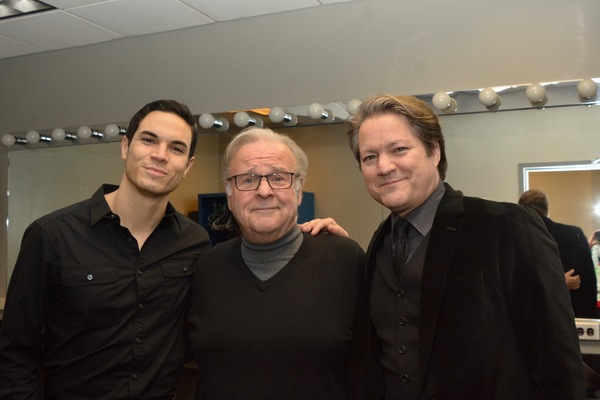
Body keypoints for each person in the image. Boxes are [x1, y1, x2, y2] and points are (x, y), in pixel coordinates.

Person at [326, 93, 585, 398]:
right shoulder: (378, 245)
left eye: (399, 149)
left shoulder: (506, 226)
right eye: (370, 157)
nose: (383, 167)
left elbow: (558, 362)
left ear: (434, 151)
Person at [0, 100, 212, 399]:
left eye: (176, 148)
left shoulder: (195, 242)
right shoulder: (51, 236)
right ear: (125, 147)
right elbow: (14, 354)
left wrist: (292, 236)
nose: (160, 155)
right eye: (149, 140)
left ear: (187, 165)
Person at [186, 127, 373, 400]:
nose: (264, 191)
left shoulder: (345, 260)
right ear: (229, 194)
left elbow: (372, 370)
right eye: (248, 179)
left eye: (278, 177)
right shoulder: (205, 268)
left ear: (299, 191)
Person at [518, 188, 597, 318]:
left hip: (533, 318)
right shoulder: (573, 235)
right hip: (573, 316)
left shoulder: (518, 238)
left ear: (521, 209)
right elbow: (588, 283)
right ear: (547, 209)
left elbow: (519, 282)